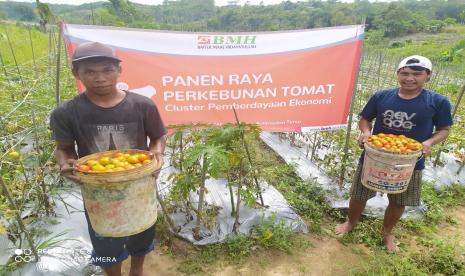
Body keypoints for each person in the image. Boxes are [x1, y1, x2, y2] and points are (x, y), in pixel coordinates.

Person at [50, 41, 166, 276]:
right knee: (105, 239)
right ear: (77, 74)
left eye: (107, 70)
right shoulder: (65, 112)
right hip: (97, 191)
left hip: (139, 185)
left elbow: (157, 136)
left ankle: (137, 271)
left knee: (142, 232)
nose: (99, 78)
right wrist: (65, 162)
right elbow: (63, 148)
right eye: (90, 72)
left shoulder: (142, 105)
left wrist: (157, 153)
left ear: (119, 71)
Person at [335, 55, 453, 253]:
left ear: (428, 75)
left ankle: (387, 233)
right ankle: (351, 223)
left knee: (399, 200)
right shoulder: (382, 96)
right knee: (359, 193)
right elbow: (365, 119)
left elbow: (444, 129)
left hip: (410, 161)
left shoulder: (438, 102)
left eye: (417, 74)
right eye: (405, 73)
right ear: (398, 74)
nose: (410, 78)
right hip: (375, 157)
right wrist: (365, 133)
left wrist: (428, 142)